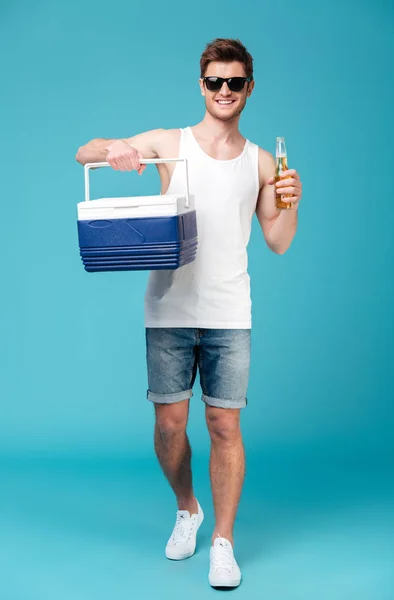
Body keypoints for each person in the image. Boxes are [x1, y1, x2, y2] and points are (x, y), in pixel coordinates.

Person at [76, 37, 303, 589]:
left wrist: (292, 200)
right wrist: (116, 150)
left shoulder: (262, 161)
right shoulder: (168, 142)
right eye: (214, 82)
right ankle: (188, 508)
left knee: (225, 424)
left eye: (235, 82)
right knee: (169, 425)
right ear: (201, 85)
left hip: (230, 311)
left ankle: (223, 542)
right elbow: (84, 151)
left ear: (249, 87)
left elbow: (277, 241)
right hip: (169, 310)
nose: (224, 91)